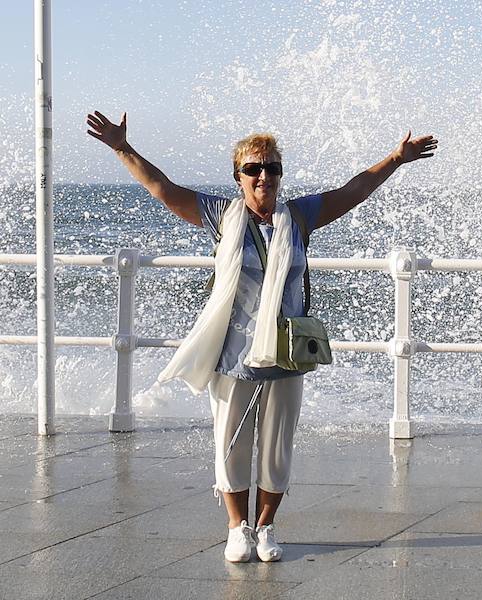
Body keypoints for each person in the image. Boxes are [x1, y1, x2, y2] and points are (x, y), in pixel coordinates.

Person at [87, 112, 437, 562]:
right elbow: (163, 188)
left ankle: (267, 527)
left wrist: (396, 159)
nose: (263, 176)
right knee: (231, 443)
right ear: (239, 178)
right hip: (234, 355)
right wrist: (121, 147)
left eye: (271, 167)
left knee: (276, 447)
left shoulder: (301, 217)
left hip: (286, 354)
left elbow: (353, 191)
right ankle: (238, 528)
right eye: (253, 169)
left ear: (280, 175)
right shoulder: (221, 215)